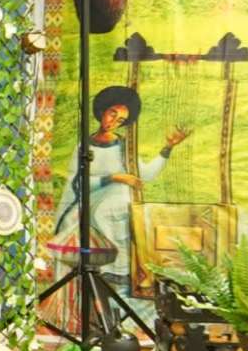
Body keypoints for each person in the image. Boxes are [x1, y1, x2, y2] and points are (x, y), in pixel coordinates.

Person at [55, 85, 193, 330]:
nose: (114, 122)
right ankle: (100, 284)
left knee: (132, 216)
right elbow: (78, 183)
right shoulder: (84, 146)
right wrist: (114, 177)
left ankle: (124, 288)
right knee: (101, 213)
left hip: (120, 202)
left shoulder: (123, 145)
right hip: (93, 200)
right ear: (102, 111)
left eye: (121, 120)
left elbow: (145, 174)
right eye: (112, 114)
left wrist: (168, 147)